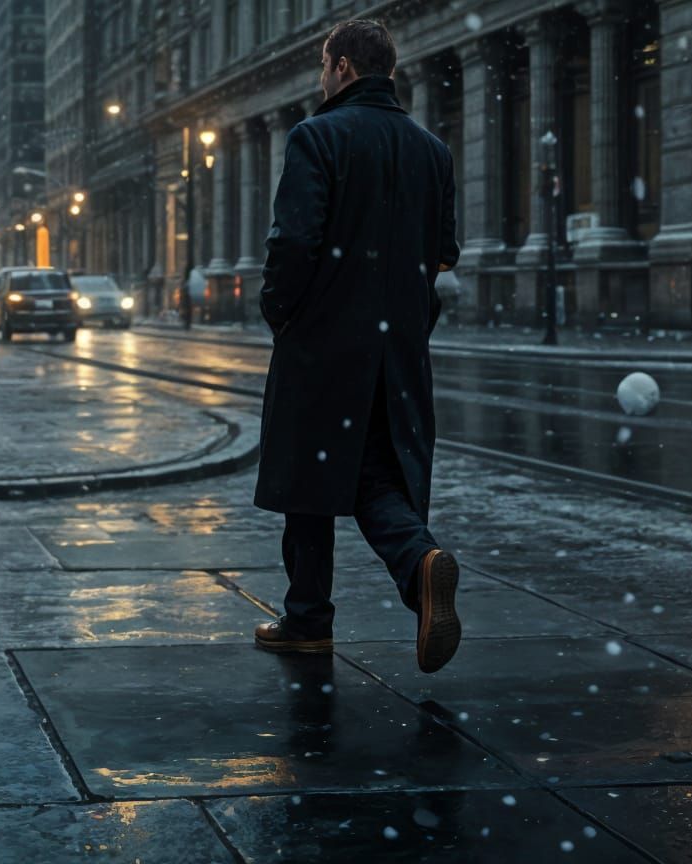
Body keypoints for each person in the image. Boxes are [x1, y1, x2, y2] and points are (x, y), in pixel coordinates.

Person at [253, 19, 462, 674]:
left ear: (341, 67)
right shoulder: (432, 150)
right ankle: (406, 569)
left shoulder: (317, 137)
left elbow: (293, 241)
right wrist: (406, 319)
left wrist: (281, 312)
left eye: (323, 68)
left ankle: (317, 615)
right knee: (375, 470)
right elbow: (444, 257)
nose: (321, 79)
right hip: (396, 348)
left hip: (322, 342)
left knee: (311, 482)